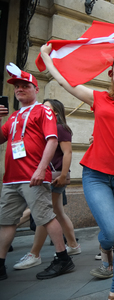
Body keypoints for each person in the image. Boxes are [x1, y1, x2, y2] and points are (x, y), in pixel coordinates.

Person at [41, 45, 114, 300]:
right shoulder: (100, 98)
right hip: (96, 174)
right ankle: (104, 244)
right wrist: (47, 58)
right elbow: (67, 83)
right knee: (113, 233)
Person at [0, 64, 74, 281]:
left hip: (33, 175)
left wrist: (42, 169)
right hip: (11, 179)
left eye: (25, 86)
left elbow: (52, 140)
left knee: (46, 216)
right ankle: (1, 264)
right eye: (17, 87)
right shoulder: (13, 117)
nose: (20, 89)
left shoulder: (44, 111)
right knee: (6, 221)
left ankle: (63, 258)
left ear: (35, 89)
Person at [13, 99, 81, 271]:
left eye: (46, 108)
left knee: (44, 214)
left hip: (55, 176)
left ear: (56, 112)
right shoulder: (49, 128)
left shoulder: (60, 128)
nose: (42, 110)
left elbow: (68, 153)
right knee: (57, 211)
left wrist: (64, 175)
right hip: (52, 176)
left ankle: (34, 254)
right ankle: (73, 245)